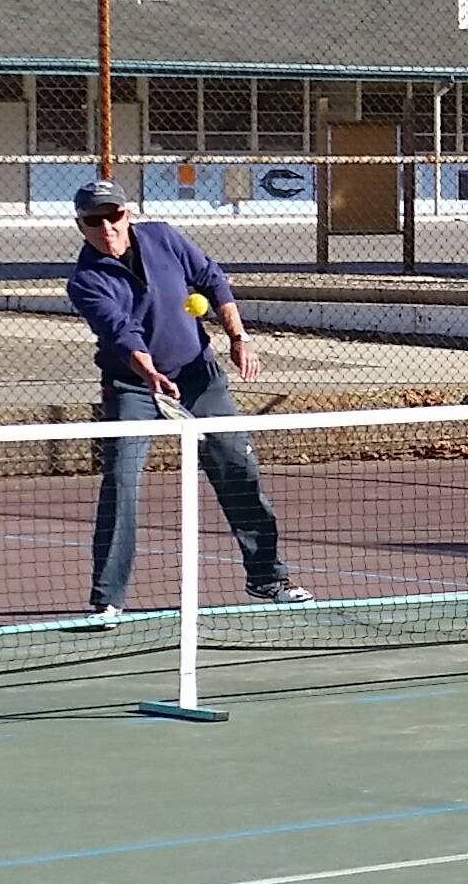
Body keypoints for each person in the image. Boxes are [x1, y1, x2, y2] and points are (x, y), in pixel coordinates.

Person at [70, 179, 311, 612]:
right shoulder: (85, 281)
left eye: (114, 216)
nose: (106, 227)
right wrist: (149, 373)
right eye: (94, 220)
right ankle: (107, 600)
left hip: (200, 376)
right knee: (121, 481)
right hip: (134, 386)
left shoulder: (163, 237)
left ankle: (267, 579)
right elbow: (120, 332)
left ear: (127, 215)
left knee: (238, 468)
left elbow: (212, 279)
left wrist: (238, 337)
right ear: (81, 225)